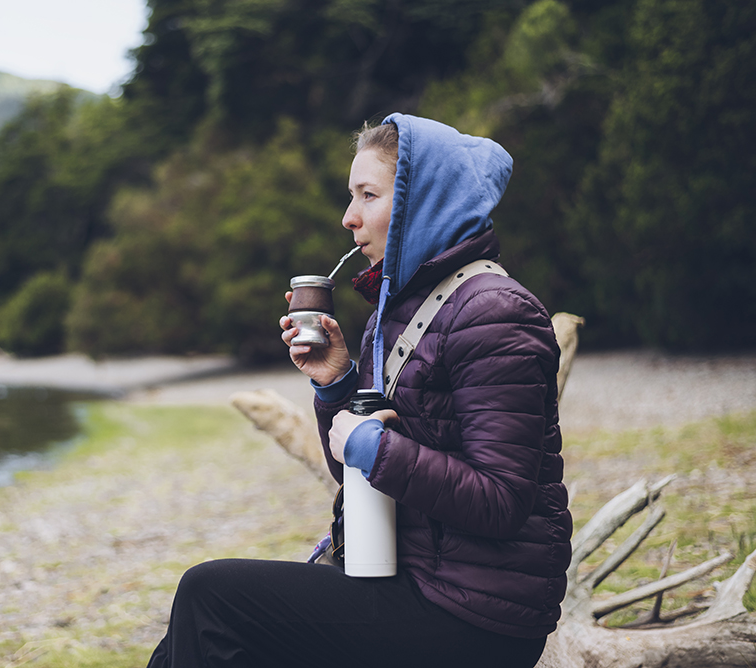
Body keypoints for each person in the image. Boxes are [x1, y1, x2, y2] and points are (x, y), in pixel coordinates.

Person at [146, 113, 571, 668]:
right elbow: (358, 468)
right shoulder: (395, 312)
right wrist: (336, 384)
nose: (349, 217)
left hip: (477, 615)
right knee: (186, 637)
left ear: (425, 203)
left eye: (368, 196)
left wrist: (377, 448)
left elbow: (500, 501)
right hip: (409, 576)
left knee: (210, 596)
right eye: (352, 197)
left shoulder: (494, 311)